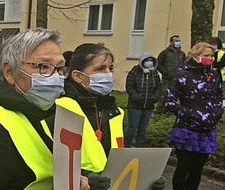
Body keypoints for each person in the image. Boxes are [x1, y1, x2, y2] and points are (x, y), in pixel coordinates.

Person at [0, 28, 91, 190]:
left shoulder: (34, 111)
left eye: (60, 69)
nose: (55, 78)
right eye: (43, 67)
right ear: (10, 72)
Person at [57, 43, 164, 190]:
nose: (108, 74)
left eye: (110, 68)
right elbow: (50, 160)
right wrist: (82, 176)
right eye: (100, 69)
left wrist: (147, 179)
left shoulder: (116, 112)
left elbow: (118, 161)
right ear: (77, 76)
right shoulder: (62, 108)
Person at [163, 42, 223, 190]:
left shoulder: (214, 75)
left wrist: (216, 113)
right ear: (196, 57)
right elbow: (169, 101)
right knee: (183, 168)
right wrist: (191, 114)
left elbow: (218, 98)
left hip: (207, 130)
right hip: (187, 129)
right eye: (206, 55)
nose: (210, 58)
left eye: (212, 56)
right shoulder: (183, 74)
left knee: (197, 170)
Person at [124, 52, 162, 148]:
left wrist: (155, 97)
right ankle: (126, 146)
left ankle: (139, 148)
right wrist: (136, 97)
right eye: (147, 60)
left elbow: (158, 87)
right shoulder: (134, 72)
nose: (149, 62)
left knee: (143, 129)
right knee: (132, 128)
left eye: (151, 61)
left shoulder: (155, 74)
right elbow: (129, 87)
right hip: (135, 106)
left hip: (148, 106)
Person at [157, 35, 186, 110]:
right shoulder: (165, 53)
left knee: (174, 96)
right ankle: (160, 112)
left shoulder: (182, 54)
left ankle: (170, 111)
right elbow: (158, 64)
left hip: (178, 79)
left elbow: (184, 64)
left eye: (179, 41)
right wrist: (165, 73)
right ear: (171, 42)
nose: (178, 43)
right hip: (167, 79)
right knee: (164, 95)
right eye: (176, 41)